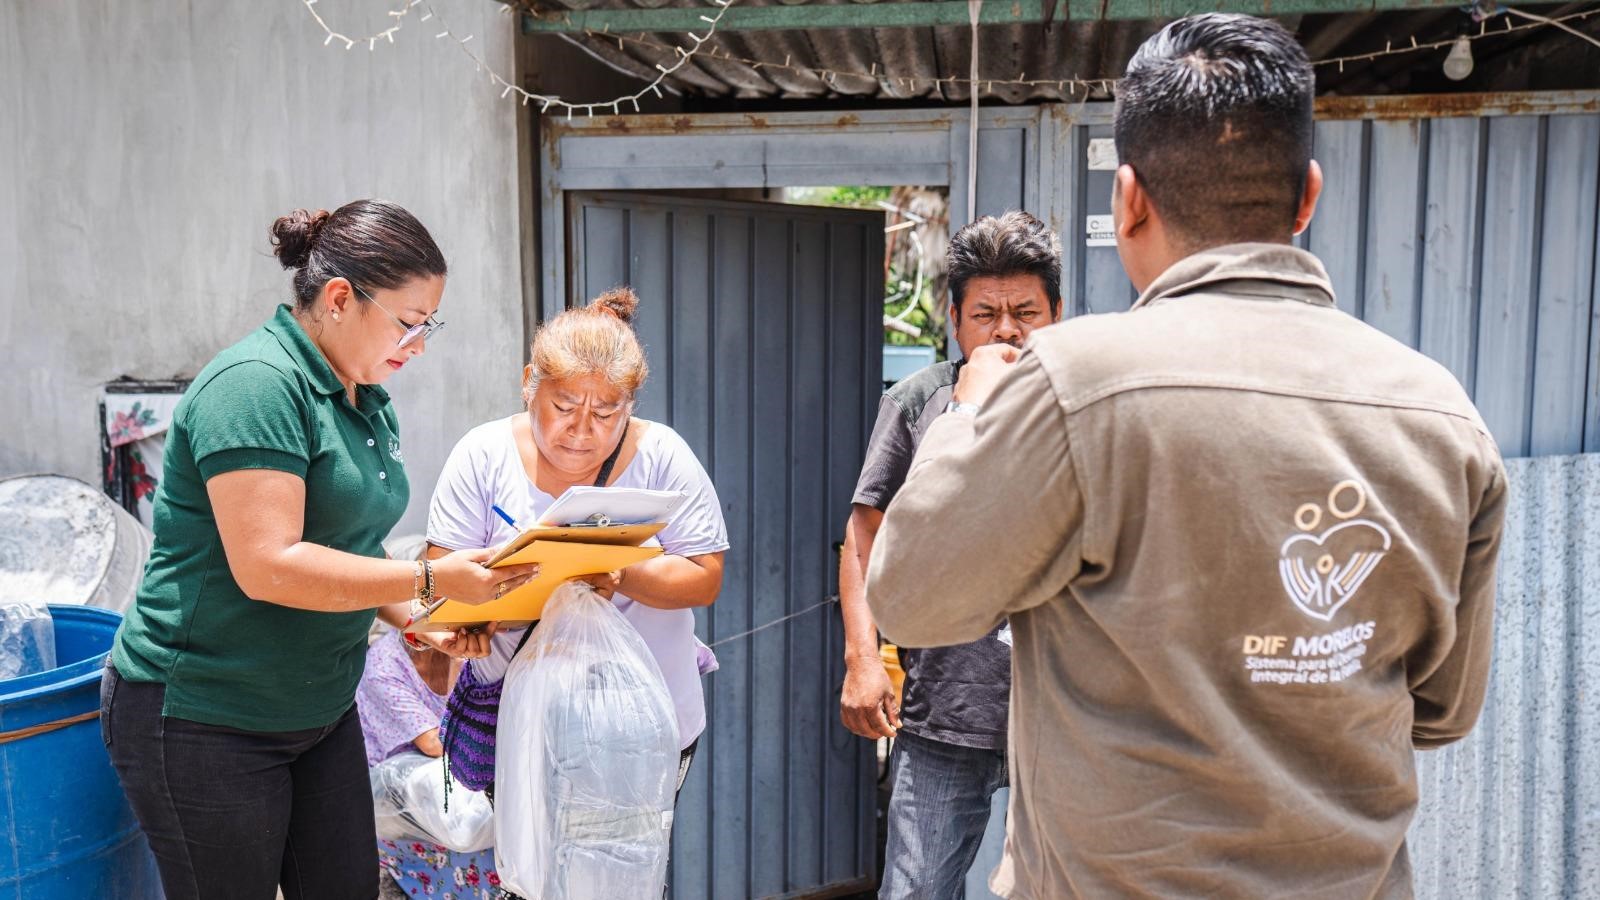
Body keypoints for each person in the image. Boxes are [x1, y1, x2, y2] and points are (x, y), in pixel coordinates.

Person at [866, 15, 1506, 899]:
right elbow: (1443, 709)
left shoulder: (1072, 387)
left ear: (1128, 198)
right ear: (1307, 195)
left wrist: (968, 416)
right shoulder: (1439, 413)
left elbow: (911, 595)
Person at [102, 200, 536, 900]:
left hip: (319, 705)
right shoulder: (254, 386)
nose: (420, 343)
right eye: (409, 321)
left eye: (431, 324)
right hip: (204, 714)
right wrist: (428, 576)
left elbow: (349, 547)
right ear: (339, 299)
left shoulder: (363, 395)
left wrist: (418, 615)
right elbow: (270, 564)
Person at [427, 286, 727, 820]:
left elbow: (704, 579)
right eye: (564, 407)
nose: (582, 431)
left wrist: (619, 571)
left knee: (623, 871)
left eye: (606, 414)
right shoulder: (483, 454)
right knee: (531, 877)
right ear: (528, 385)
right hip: (522, 721)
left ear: (630, 407)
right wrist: (461, 628)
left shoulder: (662, 455)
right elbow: (438, 577)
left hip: (642, 724)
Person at [838, 211, 1062, 899]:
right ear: (956, 320)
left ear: (1057, 313)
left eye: (1026, 312)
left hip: (1063, 711)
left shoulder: (1086, 402)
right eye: (986, 313)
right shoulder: (922, 400)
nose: (1006, 331)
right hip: (946, 707)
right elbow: (865, 533)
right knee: (915, 891)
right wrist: (862, 660)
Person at [357, 628, 500, 899]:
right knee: (475, 822)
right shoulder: (383, 665)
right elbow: (433, 744)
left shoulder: (469, 646)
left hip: (454, 767)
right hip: (396, 798)